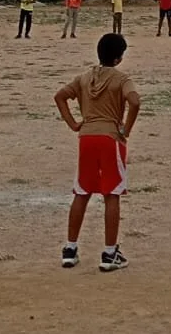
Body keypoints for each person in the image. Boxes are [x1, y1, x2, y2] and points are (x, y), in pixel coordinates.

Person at [55, 33, 141, 272]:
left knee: (82, 191)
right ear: (119, 57)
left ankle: (70, 248)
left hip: (87, 137)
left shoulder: (85, 77)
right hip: (110, 137)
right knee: (111, 193)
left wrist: (73, 123)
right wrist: (127, 128)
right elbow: (134, 101)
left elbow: (60, 96)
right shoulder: (122, 79)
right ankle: (109, 252)